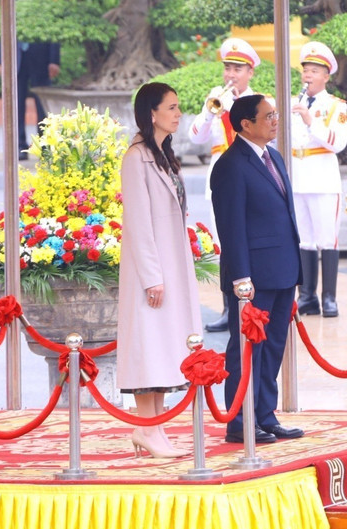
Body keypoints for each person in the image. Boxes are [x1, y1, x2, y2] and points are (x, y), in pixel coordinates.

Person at [211, 94, 304, 444]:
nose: (275, 121)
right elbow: (231, 226)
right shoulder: (231, 165)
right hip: (252, 278)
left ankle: (265, 413)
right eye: (268, 116)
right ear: (246, 124)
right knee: (246, 348)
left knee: (273, 346)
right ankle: (239, 420)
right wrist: (240, 278)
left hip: (282, 268)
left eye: (275, 115)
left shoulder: (273, 157)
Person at [117, 82, 202, 459]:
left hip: (172, 263)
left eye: (178, 107)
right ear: (152, 113)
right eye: (171, 107)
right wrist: (152, 276)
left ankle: (154, 428)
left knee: (165, 348)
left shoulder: (164, 154)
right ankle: (146, 427)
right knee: (149, 349)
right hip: (150, 271)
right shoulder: (136, 158)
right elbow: (137, 222)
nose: (178, 113)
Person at [188, 38, 259, 333]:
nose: (231, 74)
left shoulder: (260, 102)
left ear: (250, 72)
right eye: (228, 68)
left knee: (251, 244)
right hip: (221, 177)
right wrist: (209, 113)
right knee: (226, 245)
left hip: (250, 179)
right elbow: (195, 138)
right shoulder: (215, 97)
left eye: (237, 69)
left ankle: (252, 307)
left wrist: (232, 112)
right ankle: (229, 308)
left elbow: (261, 137)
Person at [291, 42, 347, 317]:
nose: (308, 76)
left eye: (314, 71)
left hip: (323, 179)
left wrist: (310, 120)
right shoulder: (292, 102)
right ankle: (307, 296)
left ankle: (329, 297)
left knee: (327, 239)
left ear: (326, 76)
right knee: (303, 240)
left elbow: (338, 142)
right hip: (298, 177)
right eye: (306, 71)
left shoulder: (335, 106)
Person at [0, 0, 60, 160]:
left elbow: (54, 32)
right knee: (16, 105)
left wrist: (54, 60)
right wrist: (1, 61)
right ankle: (20, 147)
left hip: (40, 60)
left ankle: (44, 146)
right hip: (15, 60)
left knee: (42, 106)